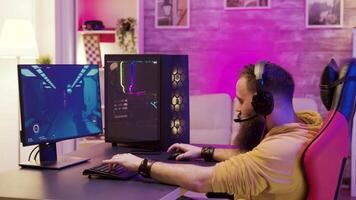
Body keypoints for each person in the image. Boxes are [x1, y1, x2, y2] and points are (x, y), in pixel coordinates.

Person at [103, 62, 323, 200]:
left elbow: (202, 180)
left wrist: (141, 164)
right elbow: (251, 158)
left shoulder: (280, 150)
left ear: (264, 103)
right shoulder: (304, 124)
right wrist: (204, 152)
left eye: (241, 100)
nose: (237, 108)